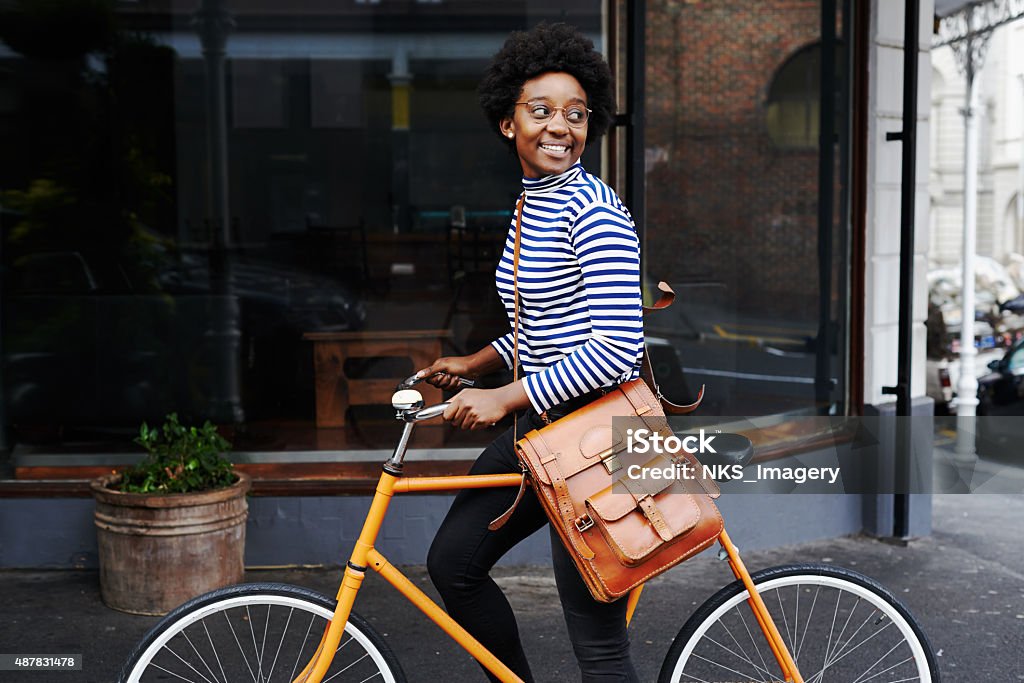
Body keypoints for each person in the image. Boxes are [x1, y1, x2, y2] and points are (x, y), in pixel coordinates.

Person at [416, 22, 645, 683]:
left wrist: (502, 396)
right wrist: (476, 363)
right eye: (540, 110)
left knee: (599, 646)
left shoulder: (592, 209)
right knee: (453, 564)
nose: (560, 127)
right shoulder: (532, 205)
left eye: (576, 114)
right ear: (507, 124)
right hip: (541, 426)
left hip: (599, 440)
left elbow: (614, 349)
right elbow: (549, 325)